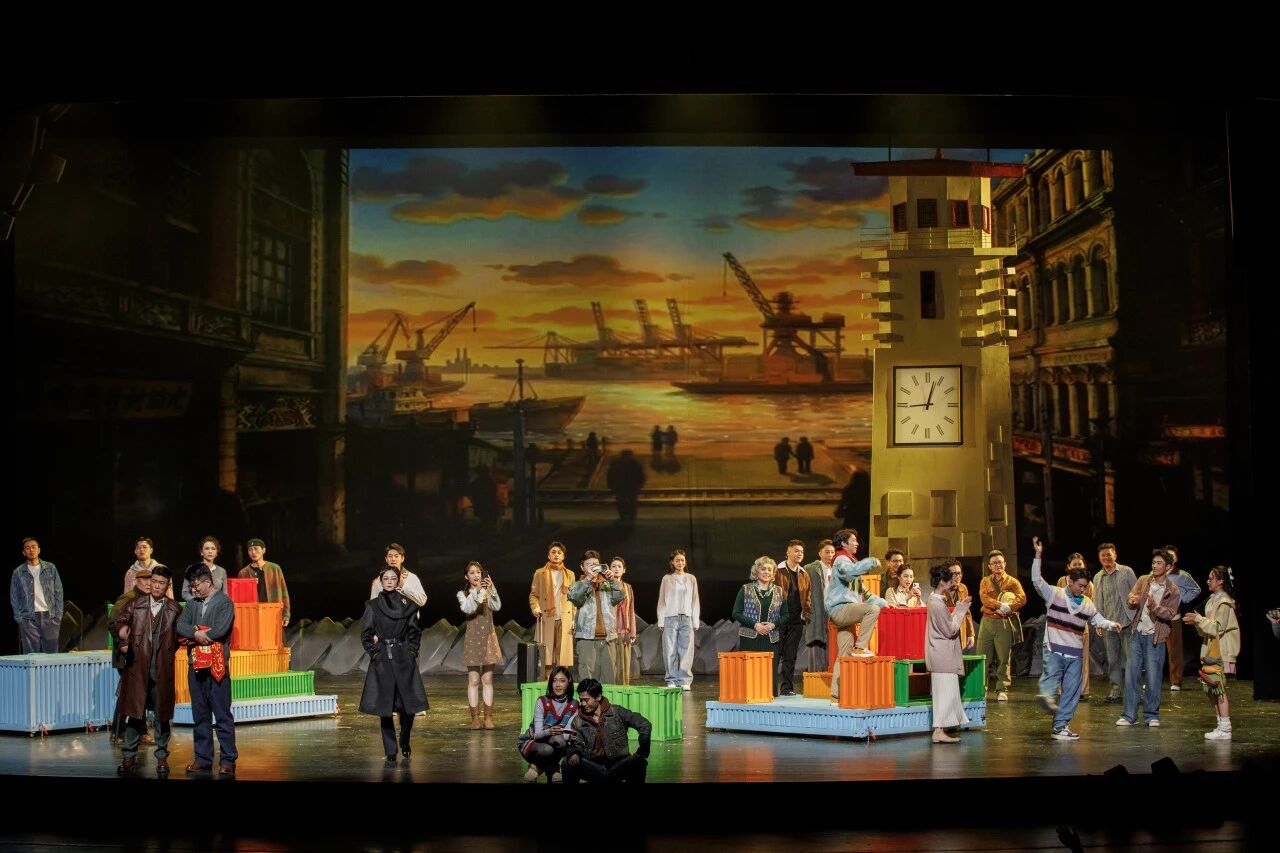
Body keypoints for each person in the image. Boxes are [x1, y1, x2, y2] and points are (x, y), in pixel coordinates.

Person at [1028, 537, 1122, 741]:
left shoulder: (1086, 602)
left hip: (1075, 653)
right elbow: (1036, 581)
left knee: (1072, 691)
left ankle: (1060, 727)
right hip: (1054, 648)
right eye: (1080, 586)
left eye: (1085, 586)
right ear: (1069, 581)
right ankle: (1046, 695)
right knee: (1051, 676)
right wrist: (1038, 555)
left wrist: (1111, 624)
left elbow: (1096, 619)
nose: (1083, 589)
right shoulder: (1054, 594)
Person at [110, 566, 182, 775]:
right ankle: (128, 756)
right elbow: (119, 622)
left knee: (161, 715)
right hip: (138, 666)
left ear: (168, 585)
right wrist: (124, 640)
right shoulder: (136, 604)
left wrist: (165, 653)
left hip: (161, 668)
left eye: (162, 583)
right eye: (155, 582)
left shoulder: (174, 609)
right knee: (135, 714)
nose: (157, 586)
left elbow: (177, 639)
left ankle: (162, 757)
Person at [361, 566, 429, 767]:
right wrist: (375, 653)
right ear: (381, 581)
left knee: (408, 706)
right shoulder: (372, 606)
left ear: (398, 581)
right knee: (385, 708)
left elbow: (414, 632)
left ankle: (405, 738)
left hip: (403, 658)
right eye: (386, 578)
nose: (389, 581)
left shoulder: (408, 605)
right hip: (383, 659)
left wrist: (412, 651)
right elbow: (366, 634)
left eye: (393, 578)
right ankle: (390, 750)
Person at [176, 564, 237, 776]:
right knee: (200, 714)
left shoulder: (224, 602)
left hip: (217, 666)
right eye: (191, 586)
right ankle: (202, 759)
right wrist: (197, 634)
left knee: (222, 715)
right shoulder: (192, 604)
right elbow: (180, 626)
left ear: (208, 582)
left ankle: (228, 760)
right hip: (195, 665)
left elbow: (220, 630)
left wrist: (196, 633)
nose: (193, 590)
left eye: (196, 586)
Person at [1116, 549, 1181, 729]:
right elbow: (1132, 598)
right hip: (1137, 633)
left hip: (1155, 637)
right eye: (1153, 563)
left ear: (1168, 567)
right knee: (1131, 675)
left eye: (1159, 563)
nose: (1155, 566)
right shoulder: (1143, 580)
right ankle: (1129, 715)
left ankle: (1152, 715)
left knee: (1153, 677)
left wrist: (1154, 607)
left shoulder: (1173, 590)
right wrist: (1132, 601)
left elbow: (1170, 614)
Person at [825, 529, 883, 704]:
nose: (857, 543)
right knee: (872, 610)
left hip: (845, 611)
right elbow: (849, 572)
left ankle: (836, 694)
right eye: (853, 540)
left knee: (844, 654)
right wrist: (870, 562)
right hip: (841, 609)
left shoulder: (849, 561)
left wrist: (885, 603)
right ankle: (860, 648)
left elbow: (865, 592)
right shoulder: (841, 560)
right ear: (844, 543)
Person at [1184, 567, 1240, 740]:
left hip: (1221, 650)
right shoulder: (1211, 601)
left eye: (1211, 578)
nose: (1208, 581)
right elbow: (1206, 630)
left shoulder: (1224, 602)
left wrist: (1199, 619)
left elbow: (1218, 628)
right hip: (1210, 649)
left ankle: (1226, 728)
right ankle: (1220, 725)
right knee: (1211, 689)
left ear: (1221, 581)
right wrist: (1197, 623)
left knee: (1219, 688)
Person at [564, 678, 651, 784]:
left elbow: (644, 724)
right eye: (581, 700)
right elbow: (576, 744)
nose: (582, 704)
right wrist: (574, 753)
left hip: (618, 766)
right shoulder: (578, 720)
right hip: (594, 768)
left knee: (639, 761)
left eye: (586, 700)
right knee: (566, 762)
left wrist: (642, 751)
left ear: (598, 697)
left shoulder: (617, 712)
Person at [927, 562, 973, 744]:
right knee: (944, 695)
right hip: (942, 655)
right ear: (942, 583)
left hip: (942, 654)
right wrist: (961, 610)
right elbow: (950, 630)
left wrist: (959, 607)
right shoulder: (937, 604)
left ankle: (940, 730)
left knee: (946, 694)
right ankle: (938, 731)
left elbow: (946, 625)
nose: (952, 581)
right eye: (949, 579)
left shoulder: (936, 600)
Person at [567, 550, 625, 683]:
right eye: (589, 565)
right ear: (582, 567)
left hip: (608, 638)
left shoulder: (608, 584)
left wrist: (612, 580)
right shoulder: (578, 585)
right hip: (586, 638)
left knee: (609, 678)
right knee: (587, 679)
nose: (593, 567)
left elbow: (620, 597)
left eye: (596, 564)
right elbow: (575, 598)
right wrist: (588, 580)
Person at [732, 557, 789, 693]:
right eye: (763, 569)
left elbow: (786, 614)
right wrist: (755, 625)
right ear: (756, 571)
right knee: (750, 674)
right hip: (750, 639)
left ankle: (770, 698)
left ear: (773, 573)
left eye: (769, 569)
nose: (766, 572)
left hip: (771, 639)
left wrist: (773, 625)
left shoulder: (780, 591)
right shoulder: (745, 589)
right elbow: (736, 613)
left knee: (768, 675)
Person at [109, 567, 153, 744]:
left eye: (151, 580)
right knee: (128, 692)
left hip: (142, 654)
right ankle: (118, 731)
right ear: (136, 581)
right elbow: (113, 622)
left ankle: (140, 732)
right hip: (127, 655)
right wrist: (123, 644)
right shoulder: (127, 598)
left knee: (140, 693)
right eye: (145, 580)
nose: (149, 584)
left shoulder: (150, 600)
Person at [976, 549, 1026, 702]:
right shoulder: (985, 581)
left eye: (1000, 562)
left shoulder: (1012, 582)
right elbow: (984, 598)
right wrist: (999, 605)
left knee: (1004, 658)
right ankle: (981, 689)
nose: (998, 565)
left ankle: (1002, 689)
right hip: (987, 622)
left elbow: (1022, 598)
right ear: (989, 566)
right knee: (982, 657)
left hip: (1004, 622)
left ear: (1005, 564)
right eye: (994, 563)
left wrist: (1009, 607)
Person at [457, 561, 502, 730]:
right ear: (466, 577)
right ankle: (475, 718)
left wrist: (491, 589)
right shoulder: (463, 594)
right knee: (474, 680)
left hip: (488, 638)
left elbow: (496, 606)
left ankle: (488, 717)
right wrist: (478, 591)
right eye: (472, 573)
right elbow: (468, 608)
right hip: (473, 640)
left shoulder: (488, 590)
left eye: (478, 572)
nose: (476, 575)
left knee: (487, 679)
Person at [1092, 543, 1137, 703]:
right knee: (1112, 661)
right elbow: (1097, 601)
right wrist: (1098, 623)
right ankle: (1115, 691)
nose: (1106, 558)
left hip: (1127, 623)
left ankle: (1134, 692)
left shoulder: (1126, 571)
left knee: (1131, 660)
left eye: (1109, 554)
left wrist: (1136, 618)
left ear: (1115, 555)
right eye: (1103, 555)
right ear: (1099, 558)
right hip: (1109, 625)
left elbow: (1137, 594)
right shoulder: (1098, 577)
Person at [1050, 553, 1097, 700]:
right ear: (1068, 567)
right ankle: (1062, 689)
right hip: (1062, 628)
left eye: (1080, 564)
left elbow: (1090, 605)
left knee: (1081, 660)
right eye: (1074, 564)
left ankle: (1081, 691)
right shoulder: (1062, 581)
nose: (1077, 566)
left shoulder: (1089, 584)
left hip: (1080, 628)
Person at [520, 666, 578, 783]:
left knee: (560, 740)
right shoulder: (542, 701)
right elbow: (537, 735)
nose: (558, 685)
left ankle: (540, 768)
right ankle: (548, 767)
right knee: (548, 748)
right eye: (554, 681)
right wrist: (549, 731)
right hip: (535, 743)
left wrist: (569, 735)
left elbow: (566, 734)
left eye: (562, 681)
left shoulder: (574, 705)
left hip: (558, 742)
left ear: (569, 683)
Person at [529, 542, 575, 679]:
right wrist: (535, 607)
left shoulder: (570, 574)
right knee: (546, 655)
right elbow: (533, 595)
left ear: (563, 556)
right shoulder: (540, 573)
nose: (556, 555)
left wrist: (574, 618)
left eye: (559, 552)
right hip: (547, 617)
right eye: (553, 552)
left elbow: (574, 598)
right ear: (548, 555)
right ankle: (547, 683)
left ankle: (563, 682)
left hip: (564, 618)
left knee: (563, 656)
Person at [655, 549, 700, 690]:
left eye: (682, 560)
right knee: (670, 650)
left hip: (686, 618)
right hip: (670, 618)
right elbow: (662, 600)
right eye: (677, 560)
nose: (680, 562)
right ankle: (671, 680)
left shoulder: (691, 578)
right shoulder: (667, 578)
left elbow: (695, 601)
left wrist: (695, 620)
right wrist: (661, 619)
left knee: (686, 650)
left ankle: (685, 680)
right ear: (672, 562)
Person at [10, 538, 63, 653]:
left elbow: (59, 592)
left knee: (52, 654)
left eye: (33, 547)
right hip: (28, 618)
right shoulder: (18, 572)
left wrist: (58, 616)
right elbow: (14, 597)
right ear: (23, 552)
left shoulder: (50, 568)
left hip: (50, 616)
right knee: (31, 655)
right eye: (27, 548)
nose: (31, 550)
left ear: (39, 550)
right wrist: (20, 619)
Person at [1161, 545, 1202, 692]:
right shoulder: (1155, 572)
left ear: (1176, 558)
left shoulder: (1181, 575)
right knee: (1154, 648)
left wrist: (1181, 598)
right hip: (1156, 617)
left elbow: (1196, 589)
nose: (1169, 558)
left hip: (1173, 617)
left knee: (1174, 649)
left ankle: (1176, 680)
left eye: (1172, 556)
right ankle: (1153, 678)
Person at [773, 539, 811, 696]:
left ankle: (786, 688)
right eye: (796, 551)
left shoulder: (804, 574)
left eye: (801, 552)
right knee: (775, 656)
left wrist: (806, 614)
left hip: (796, 621)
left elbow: (807, 596)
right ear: (788, 552)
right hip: (778, 621)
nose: (799, 554)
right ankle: (769, 688)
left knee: (790, 656)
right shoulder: (778, 571)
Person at [239, 538, 291, 626]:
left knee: (275, 634)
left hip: (273, 611)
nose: (253, 552)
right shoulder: (243, 573)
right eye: (250, 550)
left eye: (256, 549)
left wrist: (286, 614)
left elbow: (284, 592)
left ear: (263, 550)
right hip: (253, 614)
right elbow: (241, 598)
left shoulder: (275, 569)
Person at [803, 539, 835, 672]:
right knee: (816, 647)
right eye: (827, 552)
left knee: (832, 648)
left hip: (833, 613)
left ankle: (830, 679)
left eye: (832, 552)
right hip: (816, 613)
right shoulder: (810, 569)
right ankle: (815, 678)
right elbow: (802, 592)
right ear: (820, 553)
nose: (830, 555)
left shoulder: (838, 570)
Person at [608, 557, 637, 685]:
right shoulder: (605, 586)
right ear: (609, 569)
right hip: (610, 630)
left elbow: (631, 609)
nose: (616, 569)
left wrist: (632, 632)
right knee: (612, 663)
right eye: (613, 566)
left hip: (625, 630)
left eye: (619, 566)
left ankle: (623, 690)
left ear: (624, 570)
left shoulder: (628, 587)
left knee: (624, 664)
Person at [369, 543, 427, 608]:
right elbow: (373, 607)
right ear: (386, 559)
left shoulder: (411, 578)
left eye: (396, 556)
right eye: (390, 556)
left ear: (402, 559)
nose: (393, 559)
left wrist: (403, 586)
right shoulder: (378, 581)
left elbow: (422, 601)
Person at [181, 537, 228, 603]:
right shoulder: (192, 568)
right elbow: (185, 593)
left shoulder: (222, 571)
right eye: (207, 548)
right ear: (201, 552)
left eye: (213, 549)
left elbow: (225, 594)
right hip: (197, 606)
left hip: (216, 606)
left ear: (216, 552)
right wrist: (198, 602)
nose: (210, 551)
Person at [944, 561, 977, 653]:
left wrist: (970, 634)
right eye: (954, 574)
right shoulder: (940, 590)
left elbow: (967, 612)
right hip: (945, 633)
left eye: (959, 573)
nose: (958, 576)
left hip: (959, 631)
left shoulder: (963, 588)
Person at [605, 450, 646, 521]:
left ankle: (623, 515)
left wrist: (611, 485)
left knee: (620, 500)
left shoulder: (616, 463)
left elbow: (610, 475)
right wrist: (640, 484)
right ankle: (632, 515)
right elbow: (641, 475)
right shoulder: (635, 463)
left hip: (620, 485)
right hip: (632, 485)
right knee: (632, 501)